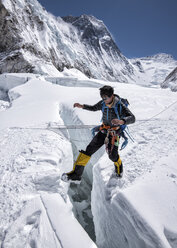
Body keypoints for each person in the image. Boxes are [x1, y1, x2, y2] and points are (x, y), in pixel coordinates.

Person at [62, 85, 135, 182]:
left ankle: (119, 166)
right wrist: (82, 106)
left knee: (112, 156)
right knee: (88, 150)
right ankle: (76, 175)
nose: (104, 100)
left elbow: (132, 118)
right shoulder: (103, 103)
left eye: (105, 98)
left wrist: (121, 121)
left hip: (114, 134)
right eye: (102, 97)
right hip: (103, 131)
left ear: (112, 95)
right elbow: (94, 108)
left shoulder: (119, 105)